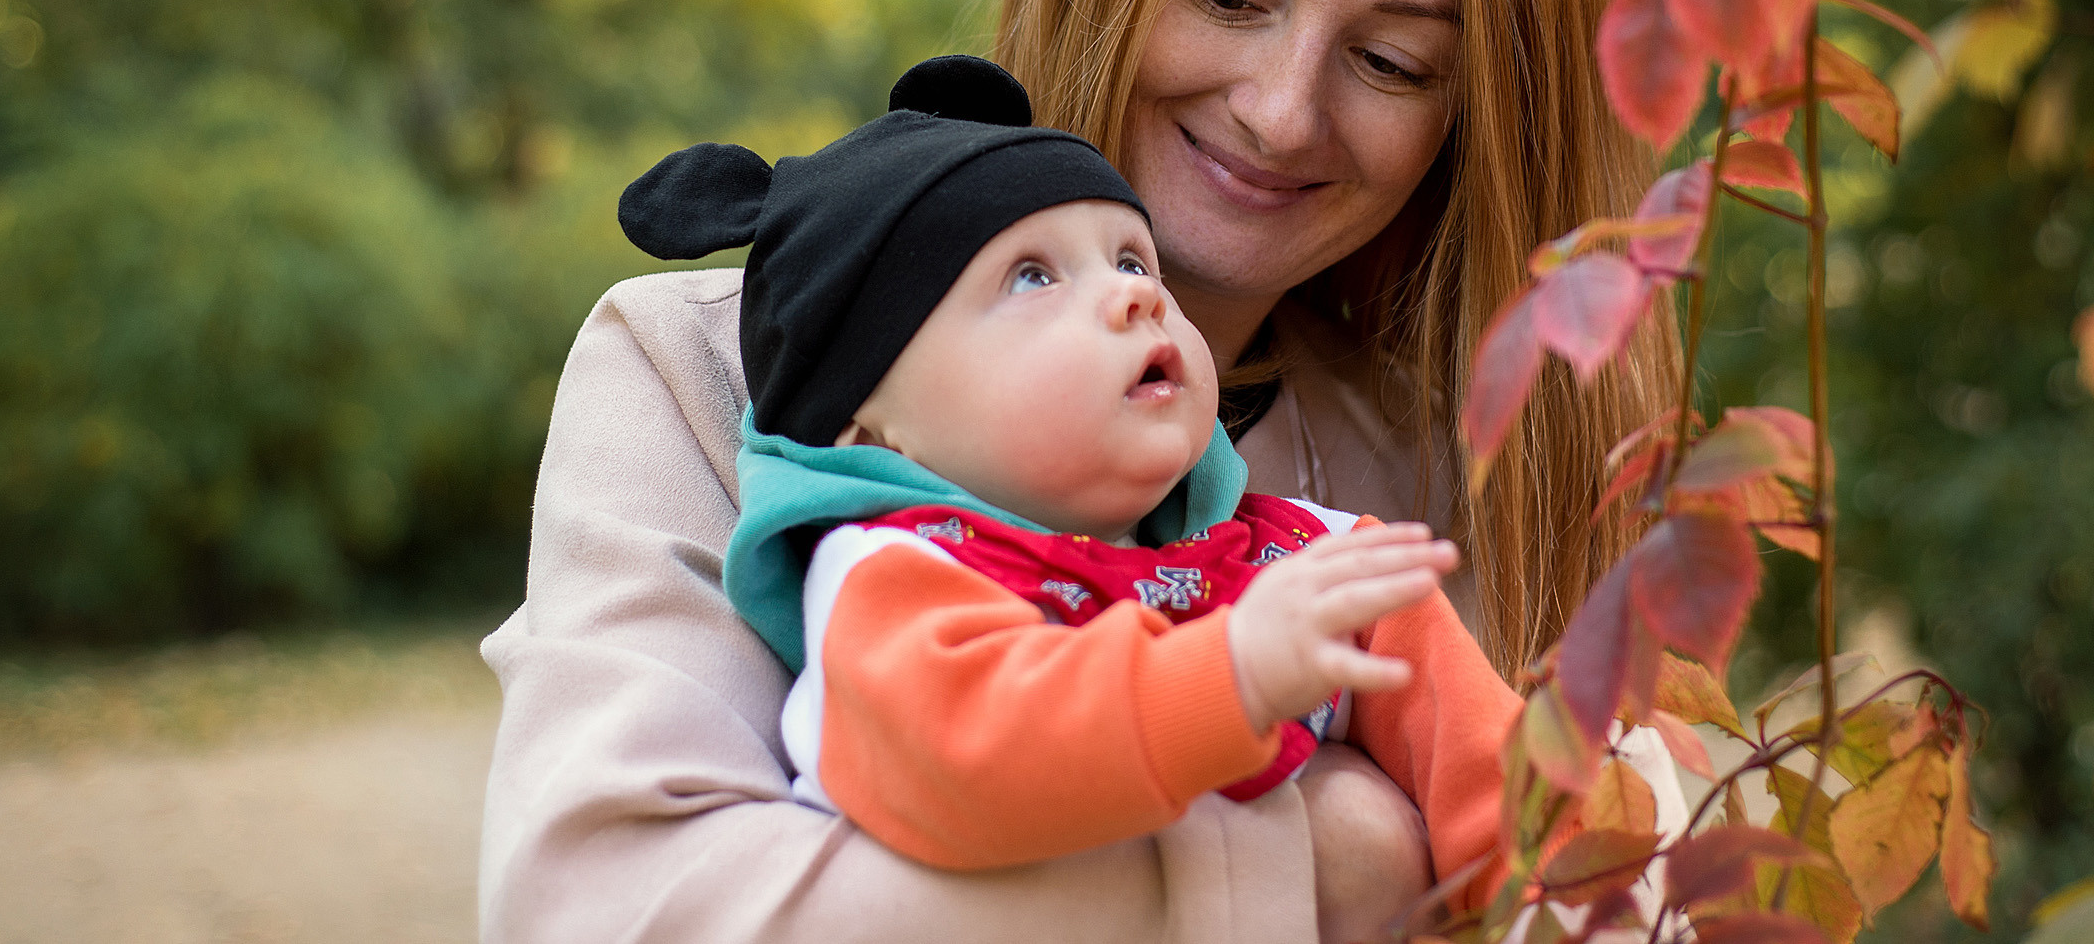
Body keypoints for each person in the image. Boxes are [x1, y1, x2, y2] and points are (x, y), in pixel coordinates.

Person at [479, 0, 1676, 943]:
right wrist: (1317, 863)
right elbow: (602, 909)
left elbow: (1628, 880)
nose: (1280, 111)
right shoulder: (709, 381)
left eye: (1390, 61)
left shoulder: (1468, 470)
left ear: (1469, 115)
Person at [612, 54, 1530, 901]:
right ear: (873, 428)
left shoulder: (1278, 556)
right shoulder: (896, 580)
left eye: (1132, 257)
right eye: (1030, 279)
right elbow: (973, 759)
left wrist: (1546, 895)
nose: (1134, 294)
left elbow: (1479, 752)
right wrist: (1230, 677)